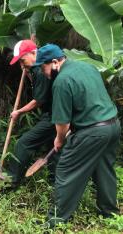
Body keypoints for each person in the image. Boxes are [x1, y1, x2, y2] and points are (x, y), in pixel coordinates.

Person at [35, 44, 120, 227]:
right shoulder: (87, 66)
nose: (44, 73)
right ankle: (111, 213)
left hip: (92, 132)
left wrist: (59, 139)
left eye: (44, 68)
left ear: (55, 62)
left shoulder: (61, 81)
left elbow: (62, 123)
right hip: (112, 125)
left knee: (66, 170)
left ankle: (56, 220)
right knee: (104, 168)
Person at [5, 39, 57, 186]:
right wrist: (27, 70)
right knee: (54, 148)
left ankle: (11, 181)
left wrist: (18, 112)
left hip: (54, 116)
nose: (22, 66)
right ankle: (55, 182)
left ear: (34, 53)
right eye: (20, 63)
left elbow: (38, 100)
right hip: (56, 114)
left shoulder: (41, 70)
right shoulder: (37, 68)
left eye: (22, 61)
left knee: (24, 143)